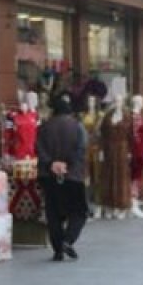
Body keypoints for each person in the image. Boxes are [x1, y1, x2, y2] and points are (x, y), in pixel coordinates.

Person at [36, 93, 89, 261]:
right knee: (79, 211)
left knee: (54, 213)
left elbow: (38, 148)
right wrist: (67, 164)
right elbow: (81, 149)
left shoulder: (44, 127)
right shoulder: (77, 126)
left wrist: (52, 163)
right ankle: (68, 239)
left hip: (49, 175)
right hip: (73, 175)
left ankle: (57, 249)